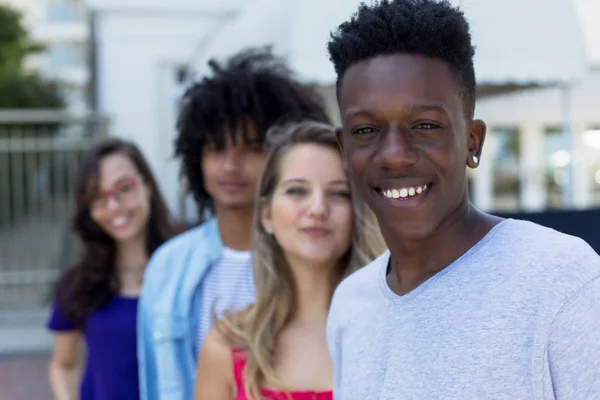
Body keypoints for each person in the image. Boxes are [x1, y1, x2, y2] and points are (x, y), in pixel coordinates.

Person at [326, 1, 600, 399]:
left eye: (424, 125)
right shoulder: (350, 306)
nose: (395, 154)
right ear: (344, 150)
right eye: (366, 129)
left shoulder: (561, 280)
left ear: (472, 141)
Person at [137, 47, 330, 400]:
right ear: (196, 156)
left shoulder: (314, 256)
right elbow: (153, 382)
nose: (230, 165)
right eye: (216, 148)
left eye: (250, 148)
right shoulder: (168, 266)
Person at [193, 120, 384, 400]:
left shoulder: (393, 334)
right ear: (266, 214)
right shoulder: (226, 345)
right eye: (297, 190)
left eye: (340, 193)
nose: (318, 208)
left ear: (357, 215)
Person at [47, 138, 180, 400]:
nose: (114, 207)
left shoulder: (186, 269)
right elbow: (64, 365)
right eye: (98, 197)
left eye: (125, 188)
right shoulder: (78, 284)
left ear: (148, 185)